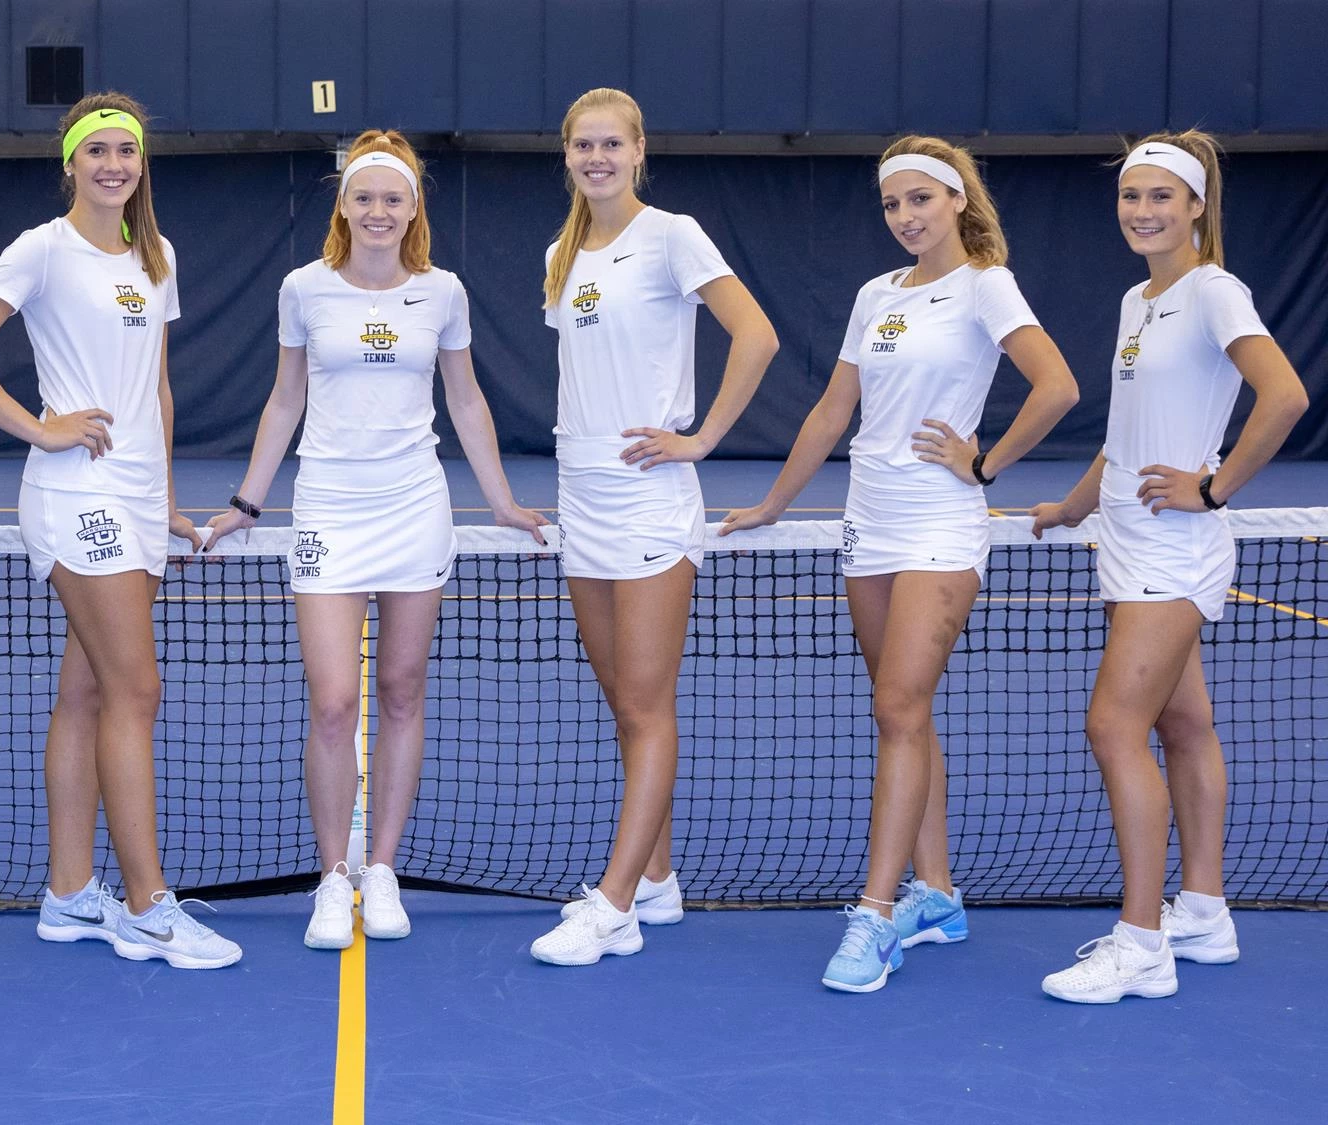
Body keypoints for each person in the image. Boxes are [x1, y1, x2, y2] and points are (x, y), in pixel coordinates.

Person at [722, 136, 1079, 992]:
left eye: (921, 199)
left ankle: (876, 915)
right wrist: (775, 502)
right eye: (892, 203)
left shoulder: (986, 284)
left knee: (896, 703)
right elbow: (833, 407)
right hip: (867, 523)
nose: (906, 216)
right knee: (905, 715)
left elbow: (1057, 385)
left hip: (938, 524)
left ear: (957, 200)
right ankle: (941, 895)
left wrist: (984, 464)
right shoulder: (874, 294)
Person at [202, 130, 547, 950]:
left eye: (394, 197)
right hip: (327, 508)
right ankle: (332, 877)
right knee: (332, 702)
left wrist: (499, 500)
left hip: (414, 507)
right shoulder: (302, 289)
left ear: (413, 206)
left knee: (400, 691)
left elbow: (465, 401)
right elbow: (284, 399)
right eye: (365, 196)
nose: (379, 210)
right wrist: (248, 502)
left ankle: (382, 870)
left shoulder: (444, 292)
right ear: (344, 205)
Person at [0, 93, 241, 969]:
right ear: (69, 163)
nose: (112, 164)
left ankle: (69, 894)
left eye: (126, 151)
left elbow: (159, 387)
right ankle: (147, 906)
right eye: (95, 150)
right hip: (76, 495)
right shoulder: (42, 249)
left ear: (142, 164)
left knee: (90, 695)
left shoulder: (156, 253)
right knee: (137, 689)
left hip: (137, 499)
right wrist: (38, 426)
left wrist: (167, 495)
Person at [1032, 131, 1307, 1003]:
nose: (1142, 211)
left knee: (1114, 727)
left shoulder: (1215, 292)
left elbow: (1286, 394)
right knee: (1184, 727)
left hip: (1173, 549)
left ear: (1196, 206)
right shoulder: (1136, 301)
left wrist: (1216, 487)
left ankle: (1142, 941)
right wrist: (1074, 505)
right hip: (1123, 541)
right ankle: (1205, 910)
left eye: (1160, 197)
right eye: (1130, 197)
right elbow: (1126, 433)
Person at [528, 88, 780, 966]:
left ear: (640, 150)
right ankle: (659, 879)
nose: (596, 157)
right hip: (582, 499)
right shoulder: (562, 253)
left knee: (644, 704)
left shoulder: (673, 234)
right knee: (626, 706)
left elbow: (757, 335)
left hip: (649, 500)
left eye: (611, 144)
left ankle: (615, 901)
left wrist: (704, 436)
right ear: (566, 155)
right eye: (581, 145)